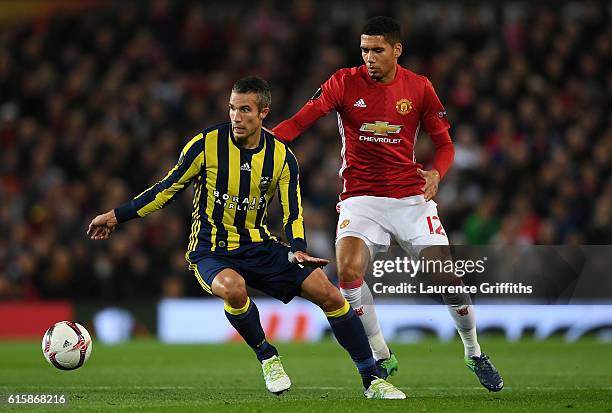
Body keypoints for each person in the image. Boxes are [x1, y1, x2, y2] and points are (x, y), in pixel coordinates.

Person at [87, 76, 405, 399]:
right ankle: (267, 356)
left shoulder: (282, 157)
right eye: (232, 108)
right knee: (233, 288)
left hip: (260, 245)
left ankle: (372, 378)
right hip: (211, 250)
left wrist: (298, 249)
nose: (236, 117)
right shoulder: (206, 145)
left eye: (245, 110)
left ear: (263, 112)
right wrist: (116, 216)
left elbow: (292, 211)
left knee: (330, 294)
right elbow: (165, 190)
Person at [273, 17, 503, 392]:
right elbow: (300, 121)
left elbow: (445, 146)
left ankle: (474, 352)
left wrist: (437, 174)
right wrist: (261, 143)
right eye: (364, 50)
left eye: (377, 50)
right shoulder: (344, 82)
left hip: (411, 198)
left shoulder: (419, 88)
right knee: (348, 272)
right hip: (360, 198)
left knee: (445, 276)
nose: (369, 57)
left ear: (397, 50)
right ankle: (381, 354)